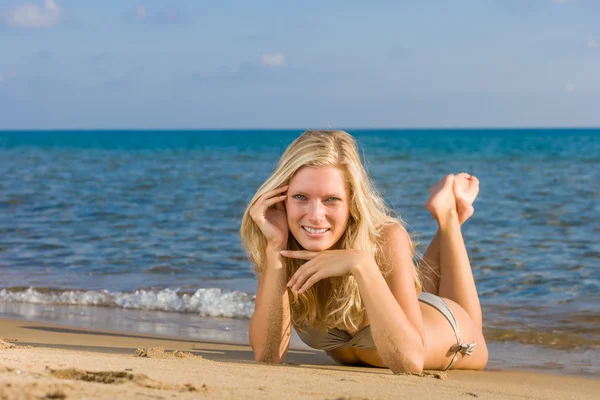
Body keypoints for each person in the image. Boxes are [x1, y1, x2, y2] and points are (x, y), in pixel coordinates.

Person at [240, 130, 488, 373]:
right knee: (412, 295)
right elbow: (268, 355)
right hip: (407, 314)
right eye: (301, 197)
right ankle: (448, 212)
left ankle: (449, 216)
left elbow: (411, 362)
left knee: (470, 322)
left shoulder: (386, 238)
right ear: (282, 199)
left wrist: (362, 265)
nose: (315, 216)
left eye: (331, 200)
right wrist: (275, 249)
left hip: (449, 329)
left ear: (352, 202)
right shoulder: (279, 241)